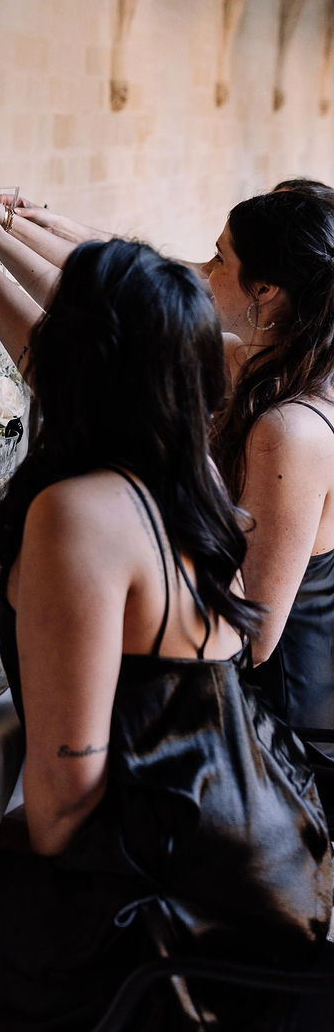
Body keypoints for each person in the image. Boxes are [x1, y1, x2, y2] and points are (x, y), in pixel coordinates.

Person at [0, 216, 331, 1031]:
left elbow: (64, 806)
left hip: (184, 911)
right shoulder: (188, 471)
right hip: (269, 852)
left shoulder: (81, 512)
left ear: (76, 358)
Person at [204, 188, 334, 802]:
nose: (204, 272)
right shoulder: (284, 368)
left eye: (219, 258)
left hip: (289, 740)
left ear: (265, 289)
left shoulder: (292, 428)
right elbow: (121, 296)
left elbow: (254, 637)